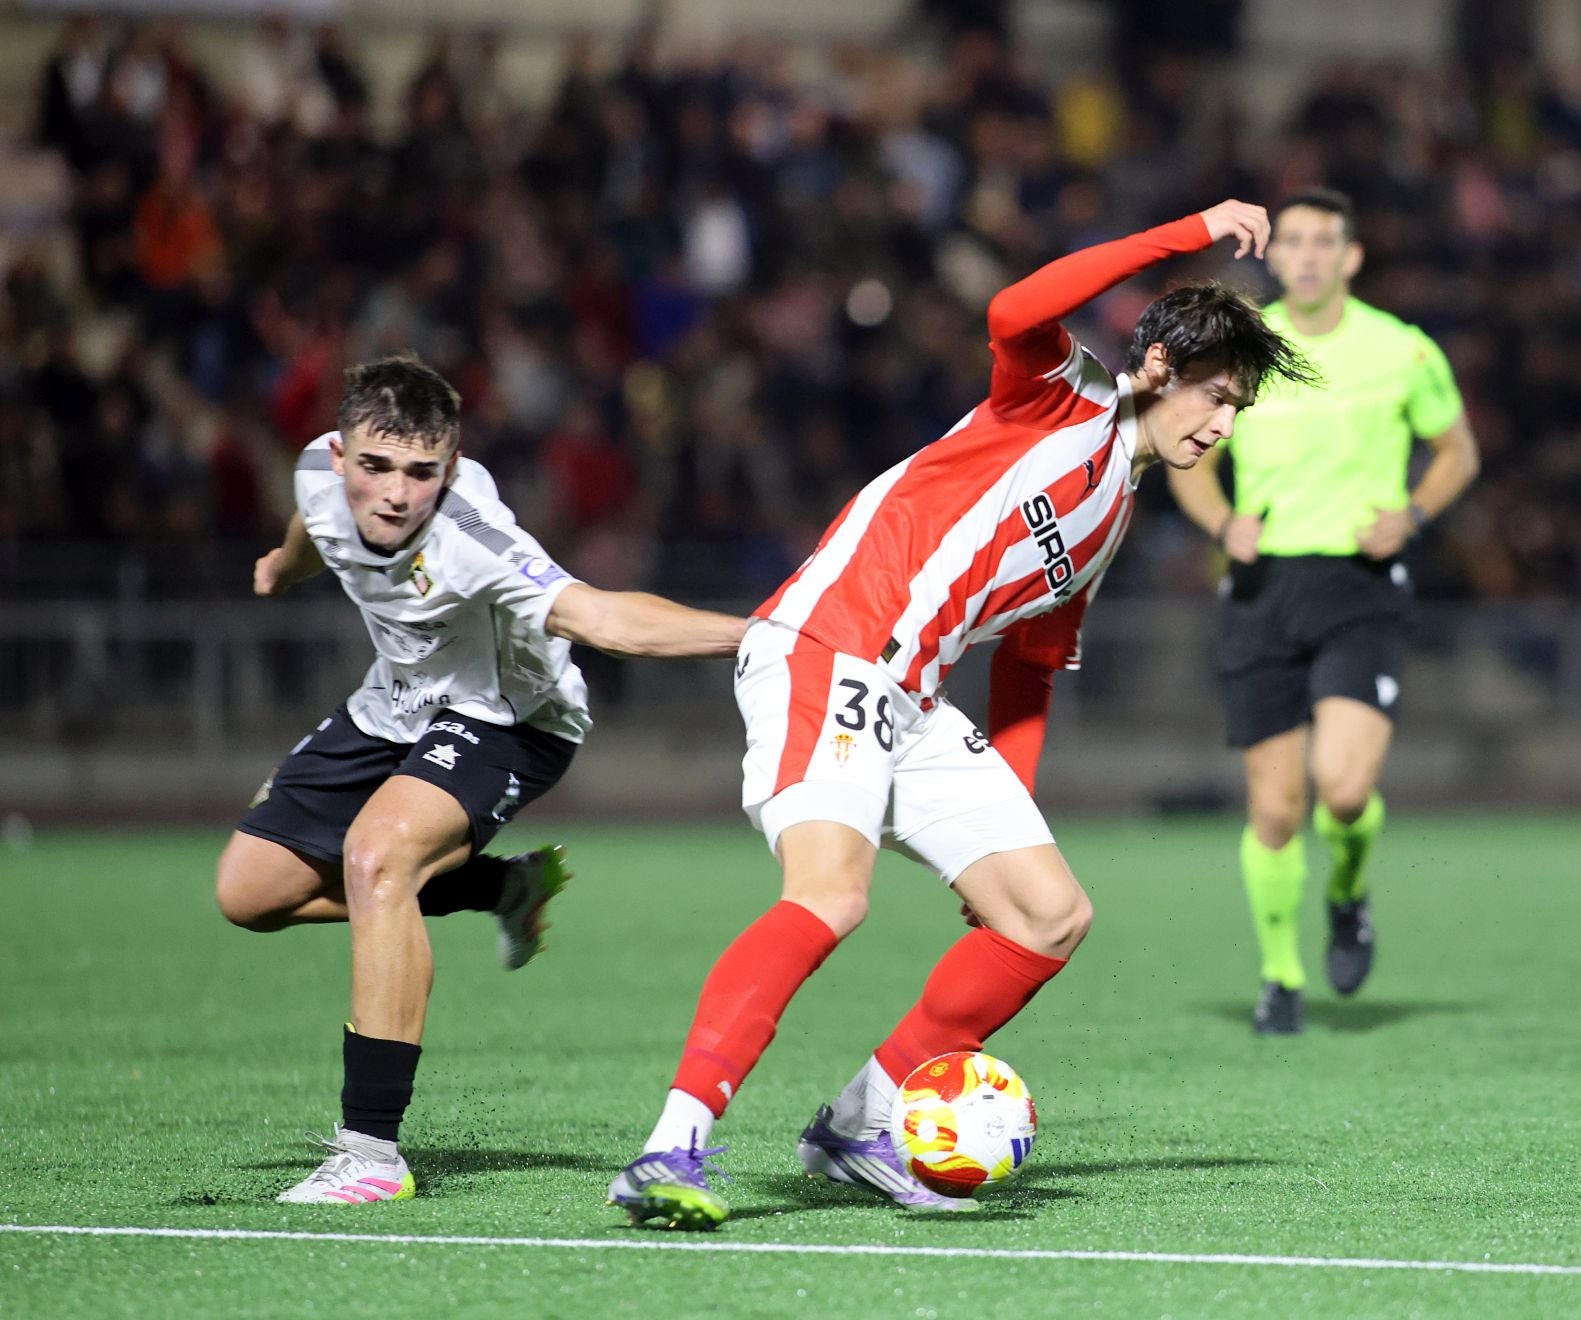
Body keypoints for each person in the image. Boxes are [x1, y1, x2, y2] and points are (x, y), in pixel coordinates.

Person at [608, 200, 1319, 1229]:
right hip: (833, 647)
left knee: (1046, 913)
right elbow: (1014, 306)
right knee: (830, 896)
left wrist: (990, 835)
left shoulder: (1112, 513)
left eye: (1238, 410)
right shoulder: (1062, 393)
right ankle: (669, 1147)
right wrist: (1192, 228)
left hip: (915, 699)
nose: (1222, 425)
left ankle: (858, 1125)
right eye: (1215, 396)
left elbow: (1030, 665)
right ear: (1160, 365)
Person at [216, 355, 745, 1204]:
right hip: (393, 705)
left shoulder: (474, 537)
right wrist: (283, 565)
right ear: (341, 455)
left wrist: (758, 636)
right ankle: (502, 888)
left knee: (377, 857)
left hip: (509, 717)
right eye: (377, 467)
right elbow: (314, 523)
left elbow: (603, 617)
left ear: (451, 468)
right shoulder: (319, 473)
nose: (397, 494)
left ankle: (371, 1154)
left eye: (421, 473)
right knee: (249, 892)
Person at [1167, 187, 1480, 1034]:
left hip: (1358, 585)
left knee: (1342, 790)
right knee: (1275, 809)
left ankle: (1347, 892)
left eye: (1322, 242)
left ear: (1351, 257)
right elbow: (1185, 456)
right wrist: (1221, 524)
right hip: (1263, 587)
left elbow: (1457, 451)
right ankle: (1280, 977)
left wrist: (1411, 515)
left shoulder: (1402, 349)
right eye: (1293, 241)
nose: (1306, 256)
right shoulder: (1240, 348)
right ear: (1273, 256)